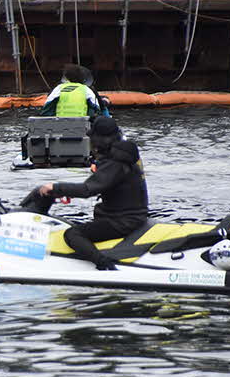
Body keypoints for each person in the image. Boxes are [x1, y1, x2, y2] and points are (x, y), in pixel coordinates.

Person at [33, 116, 148, 271]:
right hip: (129, 216)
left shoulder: (115, 163)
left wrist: (55, 188)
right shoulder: (123, 156)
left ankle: (105, 265)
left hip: (122, 221)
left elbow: (88, 189)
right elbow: (107, 185)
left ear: (100, 140)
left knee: (73, 234)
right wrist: (67, 192)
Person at [39, 64, 110, 118]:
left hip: (60, 123)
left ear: (66, 77)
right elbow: (97, 108)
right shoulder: (86, 89)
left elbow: (46, 108)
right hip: (82, 123)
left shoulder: (59, 88)